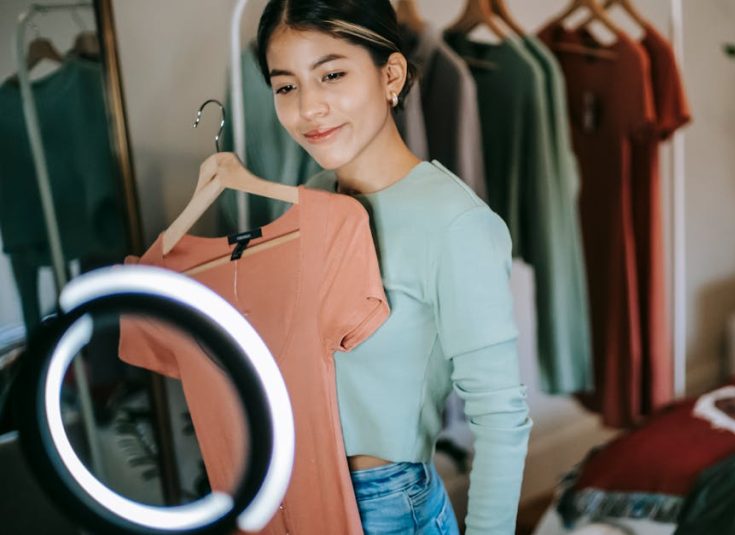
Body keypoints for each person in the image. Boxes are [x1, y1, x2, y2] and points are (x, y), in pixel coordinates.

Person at [200, 0, 532, 533]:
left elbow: (500, 419)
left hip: (383, 507)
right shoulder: (308, 203)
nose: (309, 108)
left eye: (331, 75)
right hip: (285, 490)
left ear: (391, 74)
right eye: (287, 86)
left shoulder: (455, 223)